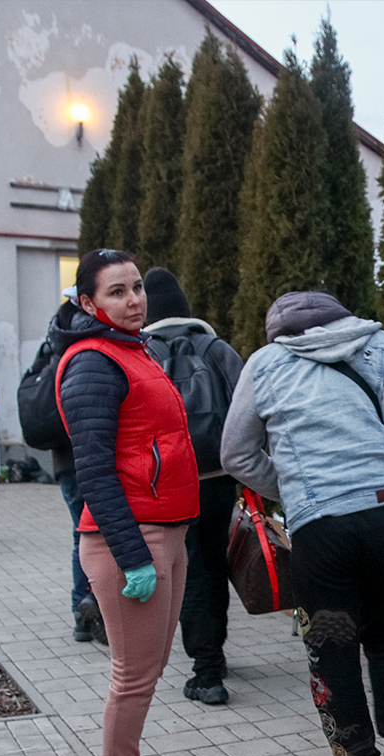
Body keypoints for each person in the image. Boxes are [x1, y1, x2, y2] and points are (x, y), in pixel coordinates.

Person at [221, 292, 384, 756]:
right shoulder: (383, 346)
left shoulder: (266, 364)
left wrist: (293, 489)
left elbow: (235, 454)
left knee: (332, 649)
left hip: (321, 533)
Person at [49, 249, 197, 756]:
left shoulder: (134, 351)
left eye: (137, 288)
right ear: (88, 303)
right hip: (129, 540)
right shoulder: (92, 363)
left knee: (150, 667)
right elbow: (94, 471)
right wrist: (133, 554)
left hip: (167, 530)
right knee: (132, 676)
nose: (134, 300)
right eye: (117, 292)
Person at [141, 268, 245, 706]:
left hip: (170, 484)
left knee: (190, 573)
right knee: (216, 563)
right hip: (220, 479)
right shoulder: (217, 349)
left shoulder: (141, 353)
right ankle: (215, 654)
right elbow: (248, 411)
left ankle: (205, 672)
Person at [39, 287, 105, 644]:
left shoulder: (55, 338)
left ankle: (83, 610)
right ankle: (96, 608)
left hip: (66, 459)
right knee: (100, 535)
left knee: (83, 534)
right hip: (92, 456)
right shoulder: (95, 342)